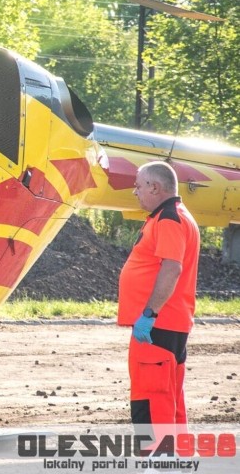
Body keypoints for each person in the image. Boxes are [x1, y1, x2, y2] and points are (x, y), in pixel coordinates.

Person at [117, 161, 200, 440]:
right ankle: (175, 461)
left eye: (138, 186)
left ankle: (159, 462)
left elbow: (171, 267)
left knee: (151, 398)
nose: (135, 192)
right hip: (167, 323)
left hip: (157, 325)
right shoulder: (173, 215)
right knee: (169, 396)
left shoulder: (169, 219)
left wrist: (149, 314)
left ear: (155, 186)